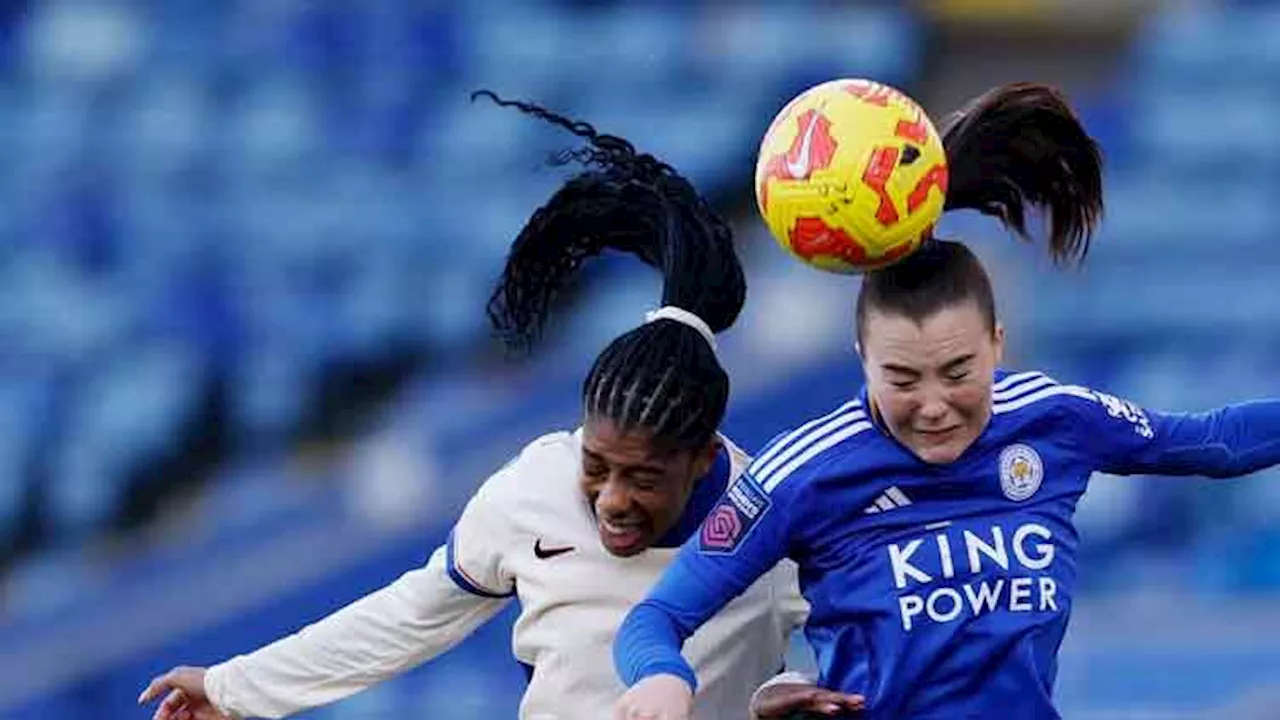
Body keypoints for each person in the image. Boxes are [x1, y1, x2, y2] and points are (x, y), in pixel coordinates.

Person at [611, 82, 1280, 720]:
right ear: (861, 361)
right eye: (901, 380)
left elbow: (1214, 441)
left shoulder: (1055, 419)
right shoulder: (802, 473)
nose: (933, 405)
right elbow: (656, 618)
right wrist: (664, 676)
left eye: (958, 371)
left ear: (997, 342)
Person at [137, 93, 810, 720]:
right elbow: (411, 616)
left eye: (642, 477)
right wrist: (235, 689)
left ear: (701, 458)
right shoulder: (532, 491)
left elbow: (866, 652)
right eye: (596, 465)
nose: (609, 498)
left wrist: (790, 693)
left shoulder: (772, 526)